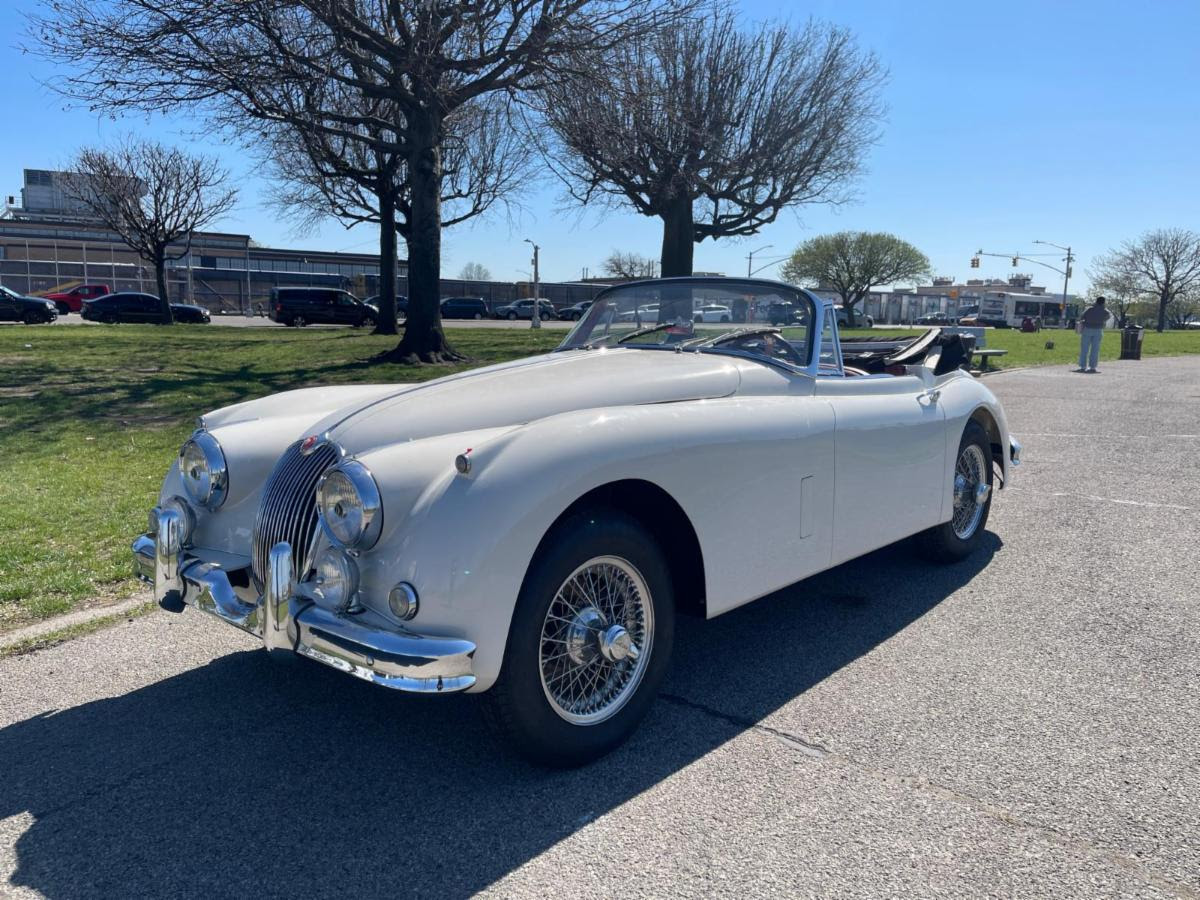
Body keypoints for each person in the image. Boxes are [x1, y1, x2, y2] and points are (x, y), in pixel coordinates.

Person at [1076, 297, 1108, 373]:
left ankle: (1083, 366)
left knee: (1084, 348)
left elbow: (1082, 317)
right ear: (1103, 302)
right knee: (1095, 349)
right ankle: (1092, 367)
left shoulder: (1090, 309)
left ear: (1096, 301)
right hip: (1098, 330)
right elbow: (1108, 317)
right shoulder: (1105, 311)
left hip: (1087, 329)